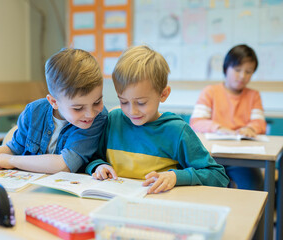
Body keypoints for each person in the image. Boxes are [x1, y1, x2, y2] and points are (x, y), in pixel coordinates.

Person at [85, 45, 229, 194]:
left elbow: (218, 176)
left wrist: (175, 176)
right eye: (123, 101)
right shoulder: (113, 121)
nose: (131, 111)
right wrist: (98, 166)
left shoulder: (177, 131)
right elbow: (92, 158)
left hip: (159, 210)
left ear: (163, 94)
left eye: (141, 103)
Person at [0, 48, 108, 176]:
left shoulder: (97, 119)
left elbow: (64, 165)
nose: (90, 113)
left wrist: (10, 161)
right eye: (78, 108)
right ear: (54, 102)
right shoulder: (33, 112)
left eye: (97, 102)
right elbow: (14, 148)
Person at [190, 44, 266, 191]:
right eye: (237, 70)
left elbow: (259, 123)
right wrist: (219, 128)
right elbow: (196, 122)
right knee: (206, 188)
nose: (243, 76)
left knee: (255, 185)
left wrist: (250, 128)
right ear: (226, 68)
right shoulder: (210, 92)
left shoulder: (253, 95)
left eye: (248, 72)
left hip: (242, 158)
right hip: (211, 156)